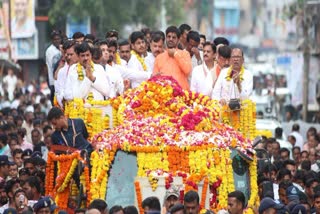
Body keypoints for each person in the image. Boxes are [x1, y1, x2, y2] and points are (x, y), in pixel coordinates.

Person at [153, 26, 192, 90]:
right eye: (169, 37)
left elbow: (187, 71)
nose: (171, 39)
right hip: (164, 95)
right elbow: (155, 78)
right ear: (166, 38)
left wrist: (175, 54)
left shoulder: (185, 54)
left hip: (181, 95)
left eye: (174, 37)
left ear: (178, 40)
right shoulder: (159, 57)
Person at [54, 40, 78, 107]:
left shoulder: (82, 69)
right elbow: (58, 91)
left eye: (71, 54)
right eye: (67, 54)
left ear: (77, 54)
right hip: (65, 107)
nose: (69, 57)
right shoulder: (61, 71)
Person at [46, 31, 62, 104]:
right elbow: (52, 66)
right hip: (53, 81)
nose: (57, 41)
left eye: (58, 39)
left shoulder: (61, 48)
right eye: (55, 39)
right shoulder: (50, 51)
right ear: (52, 40)